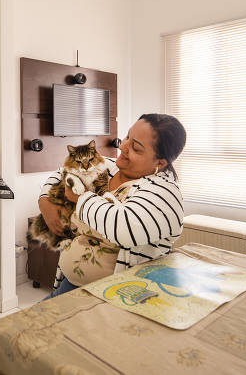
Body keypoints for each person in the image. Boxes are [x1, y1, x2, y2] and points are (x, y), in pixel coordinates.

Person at [39, 113, 187, 299]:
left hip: (116, 297)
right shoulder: (110, 167)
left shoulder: (165, 193)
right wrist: (44, 202)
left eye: (136, 147)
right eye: (127, 137)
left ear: (160, 162)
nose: (123, 146)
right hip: (71, 286)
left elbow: (124, 228)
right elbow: (63, 171)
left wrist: (81, 198)